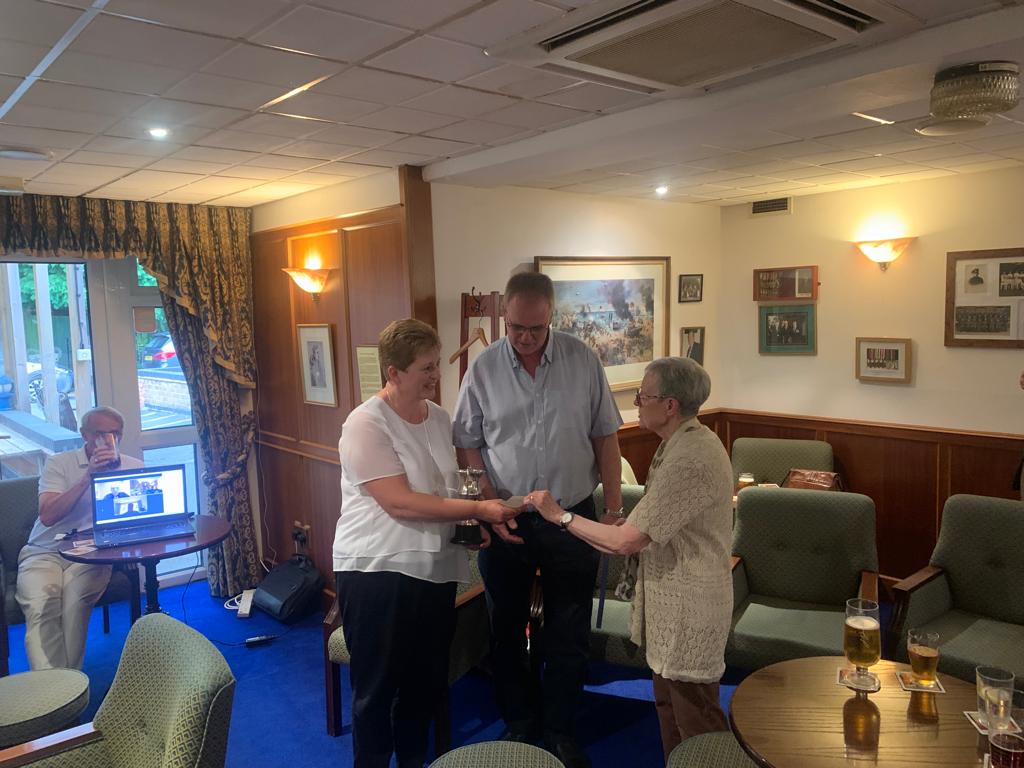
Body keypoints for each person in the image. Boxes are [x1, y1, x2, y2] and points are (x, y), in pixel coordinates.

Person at [524, 357, 733, 764]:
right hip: (672, 603)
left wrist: (560, 516)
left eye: (642, 396)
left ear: (670, 405)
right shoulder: (678, 444)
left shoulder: (691, 457)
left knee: (698, 722)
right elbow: (644, 529)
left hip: (690, 607)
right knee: (669, 710)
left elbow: (625, 543)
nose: (636, 403)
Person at [453, 271, 624, 768]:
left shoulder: (582, 360)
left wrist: (613, 510)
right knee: (506, 627)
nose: (525, 338)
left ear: (552, 316)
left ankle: (560, 729)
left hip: (571, 515)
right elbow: (468, 443)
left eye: (536, 328)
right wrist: (488, 505)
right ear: (505, 317)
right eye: (516, 328)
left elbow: (606, 438)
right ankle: (520, 722)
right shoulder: (483, 369)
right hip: (507, 517)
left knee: (568, 630)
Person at [333, 318, 520, 768]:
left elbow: (444, 490)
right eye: (426, 368)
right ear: (393, 373)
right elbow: (400, 502)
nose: (437, 375)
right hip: (377, 571)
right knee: (376, 691)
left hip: (434, 570)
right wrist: (480, 510)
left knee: (424, 686)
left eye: (437, 365)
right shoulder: (365, 423)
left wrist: (468, 526)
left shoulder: (438, 418)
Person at [16, 406, 142, 670]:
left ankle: (68, 685)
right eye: (100, 434)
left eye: (115, 434)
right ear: (84, 435)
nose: (108, 440)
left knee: (75, 605)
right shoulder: (59, 464)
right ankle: (54, 686)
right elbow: (48, 516)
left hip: (93, 554)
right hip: (44, 550)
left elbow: (138, 518)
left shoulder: (134, 466)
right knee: (41, 606)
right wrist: (88, 478)